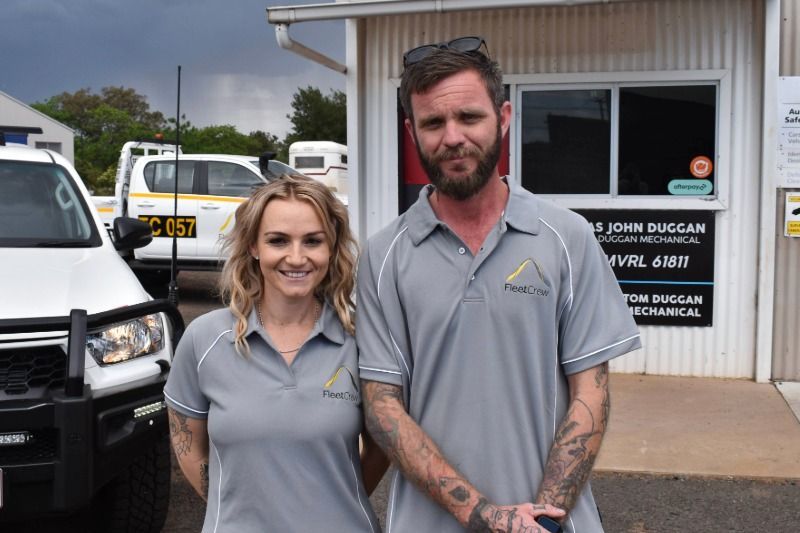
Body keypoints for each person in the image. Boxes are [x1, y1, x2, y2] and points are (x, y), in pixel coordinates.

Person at [356, 36, 642, 532]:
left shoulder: (565, 237)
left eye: (469, 117)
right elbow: (383, 406)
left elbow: (591, 389)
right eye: (433, 123)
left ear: (503, 117)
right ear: (412, 131)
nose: (452, 137)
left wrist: (545, 517)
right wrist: (484, 514)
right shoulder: (384, 256)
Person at [164, 174, 386, 532]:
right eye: (278, 240)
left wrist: (334, 504)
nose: (296, 258)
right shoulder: (204, 339)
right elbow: (188, 446)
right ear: (254, 246)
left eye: (313, 241)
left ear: (331, 246)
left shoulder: (363, 339)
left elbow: (381, 447)